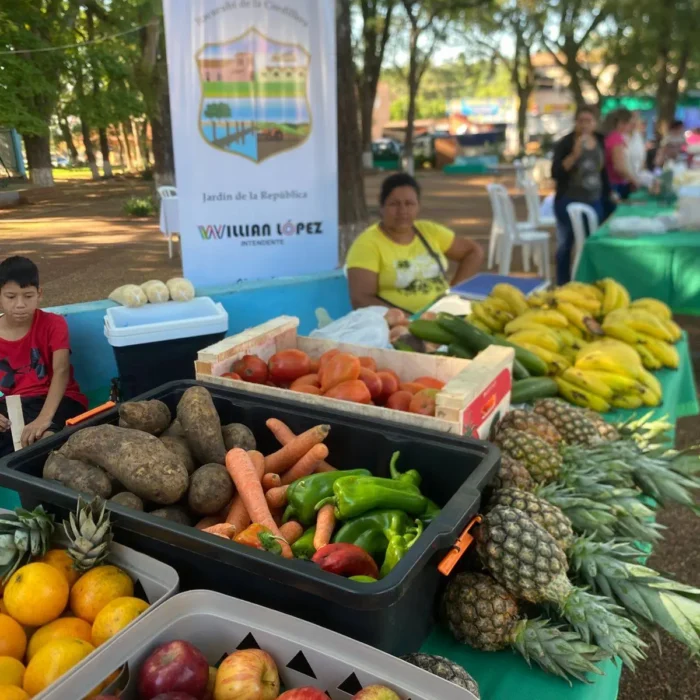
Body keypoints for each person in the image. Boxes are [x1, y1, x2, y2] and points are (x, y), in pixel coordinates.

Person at [346, 173, 484, 314]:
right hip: (398, 323)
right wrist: (406, 319)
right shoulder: (367, 244)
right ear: (382, 206)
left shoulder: (429, 231)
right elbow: (361, 299)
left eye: (409, 204)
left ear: (418, 206)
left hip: (444, 316)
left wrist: (453, 294)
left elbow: (473, 252)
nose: (403, 211)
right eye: (394, 204)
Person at [0, 256, 87, 458]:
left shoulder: (53, 324)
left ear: (39, 294)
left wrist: (44, 418)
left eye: (28, 296)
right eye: (11, 297)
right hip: (14, 403)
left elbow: (61, 371)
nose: (20, 304)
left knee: (46, 444)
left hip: (59, 399)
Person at [551, 105, 611, 285]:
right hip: (568, 200)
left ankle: (592, 282)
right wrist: (574, 155)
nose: (584, 125)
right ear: (575, 122)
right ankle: (563, 283)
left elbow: (604, 172)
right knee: (565, 244)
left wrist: (609, 193)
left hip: (594, 199)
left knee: (594, 242)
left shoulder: (601, 140)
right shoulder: (565, 143)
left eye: (588, 121)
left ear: (595, 123)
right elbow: (556, 173)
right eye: (581, 121)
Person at [604, 108, 639, 199]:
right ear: (621, 123)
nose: (630, 127)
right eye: (629, 123)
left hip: (611, 183)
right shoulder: (616, 138)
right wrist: (634, 180)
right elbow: (619, 167)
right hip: (616, 185)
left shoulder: (610, 137)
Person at [626, 113, 648, 184]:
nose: (634, 122)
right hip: (625, 180)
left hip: (637, 179)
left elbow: (642, 160)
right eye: (632, 119)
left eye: (636, 119)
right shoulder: (621, 137)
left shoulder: (638, 137)